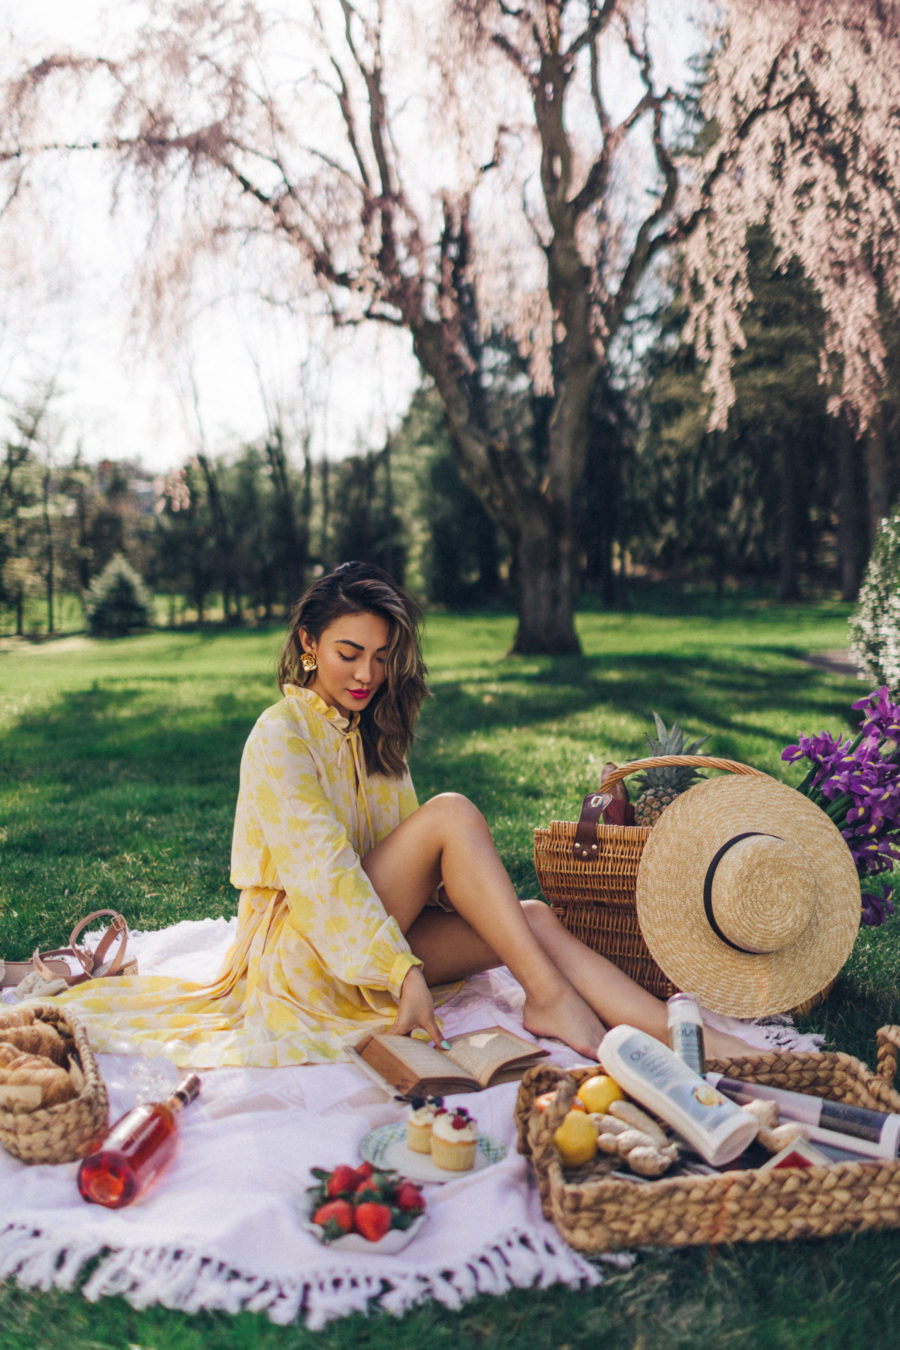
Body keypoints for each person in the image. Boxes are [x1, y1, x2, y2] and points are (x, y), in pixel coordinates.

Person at [60, 560, 749, 1067]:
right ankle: (549, 997)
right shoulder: (281, 734)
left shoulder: (371, 732)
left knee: (531, 920)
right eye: (347, 653)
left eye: (380, 658)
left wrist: (463, 903)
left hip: (370, 927)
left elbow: (405, 859)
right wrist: (403, 973)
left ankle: (688, 1037)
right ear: (307, 644)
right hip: (307, 950)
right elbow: (325, 877)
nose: (365, 675)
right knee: (452, 815)